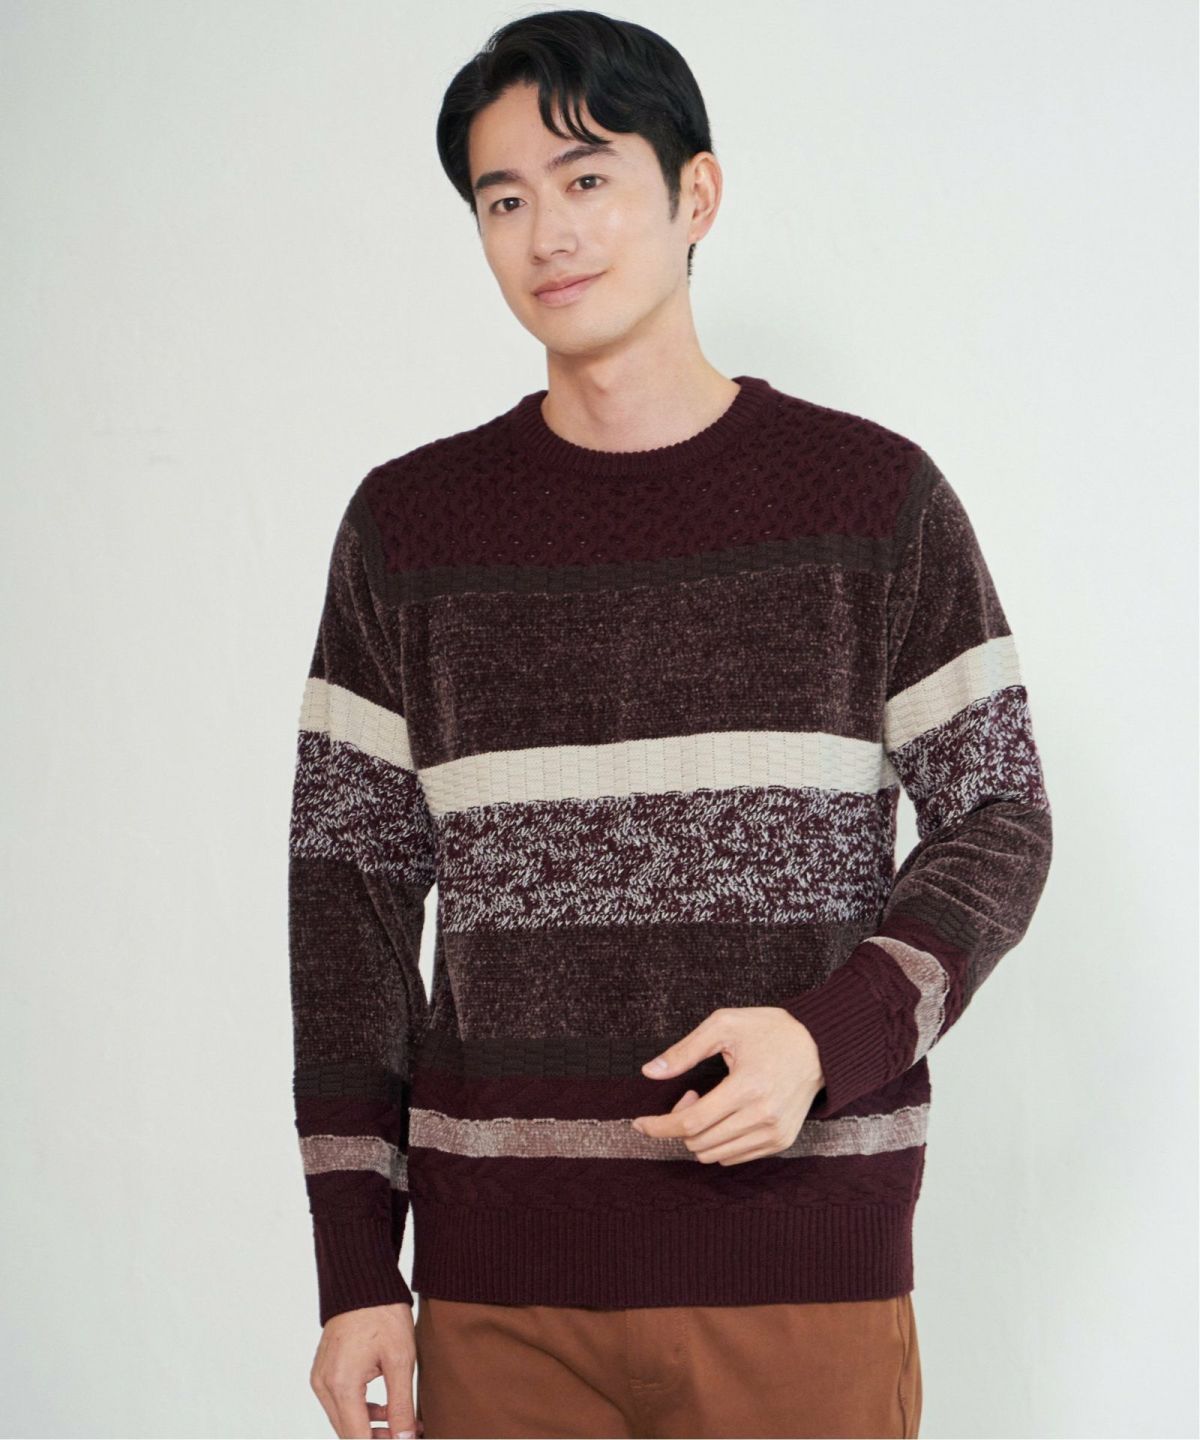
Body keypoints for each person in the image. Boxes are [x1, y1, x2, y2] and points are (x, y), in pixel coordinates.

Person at [287, 9, 1053, 1438]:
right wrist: (354, 1271)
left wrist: (829, 1039)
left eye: (586, 178)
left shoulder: (872, 502)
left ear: (694, 194)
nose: (547, 233)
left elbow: (1001, 817)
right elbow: (349, 905)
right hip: (500, 1298)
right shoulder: (407, 530)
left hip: (800, 1277)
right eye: (503, 200)